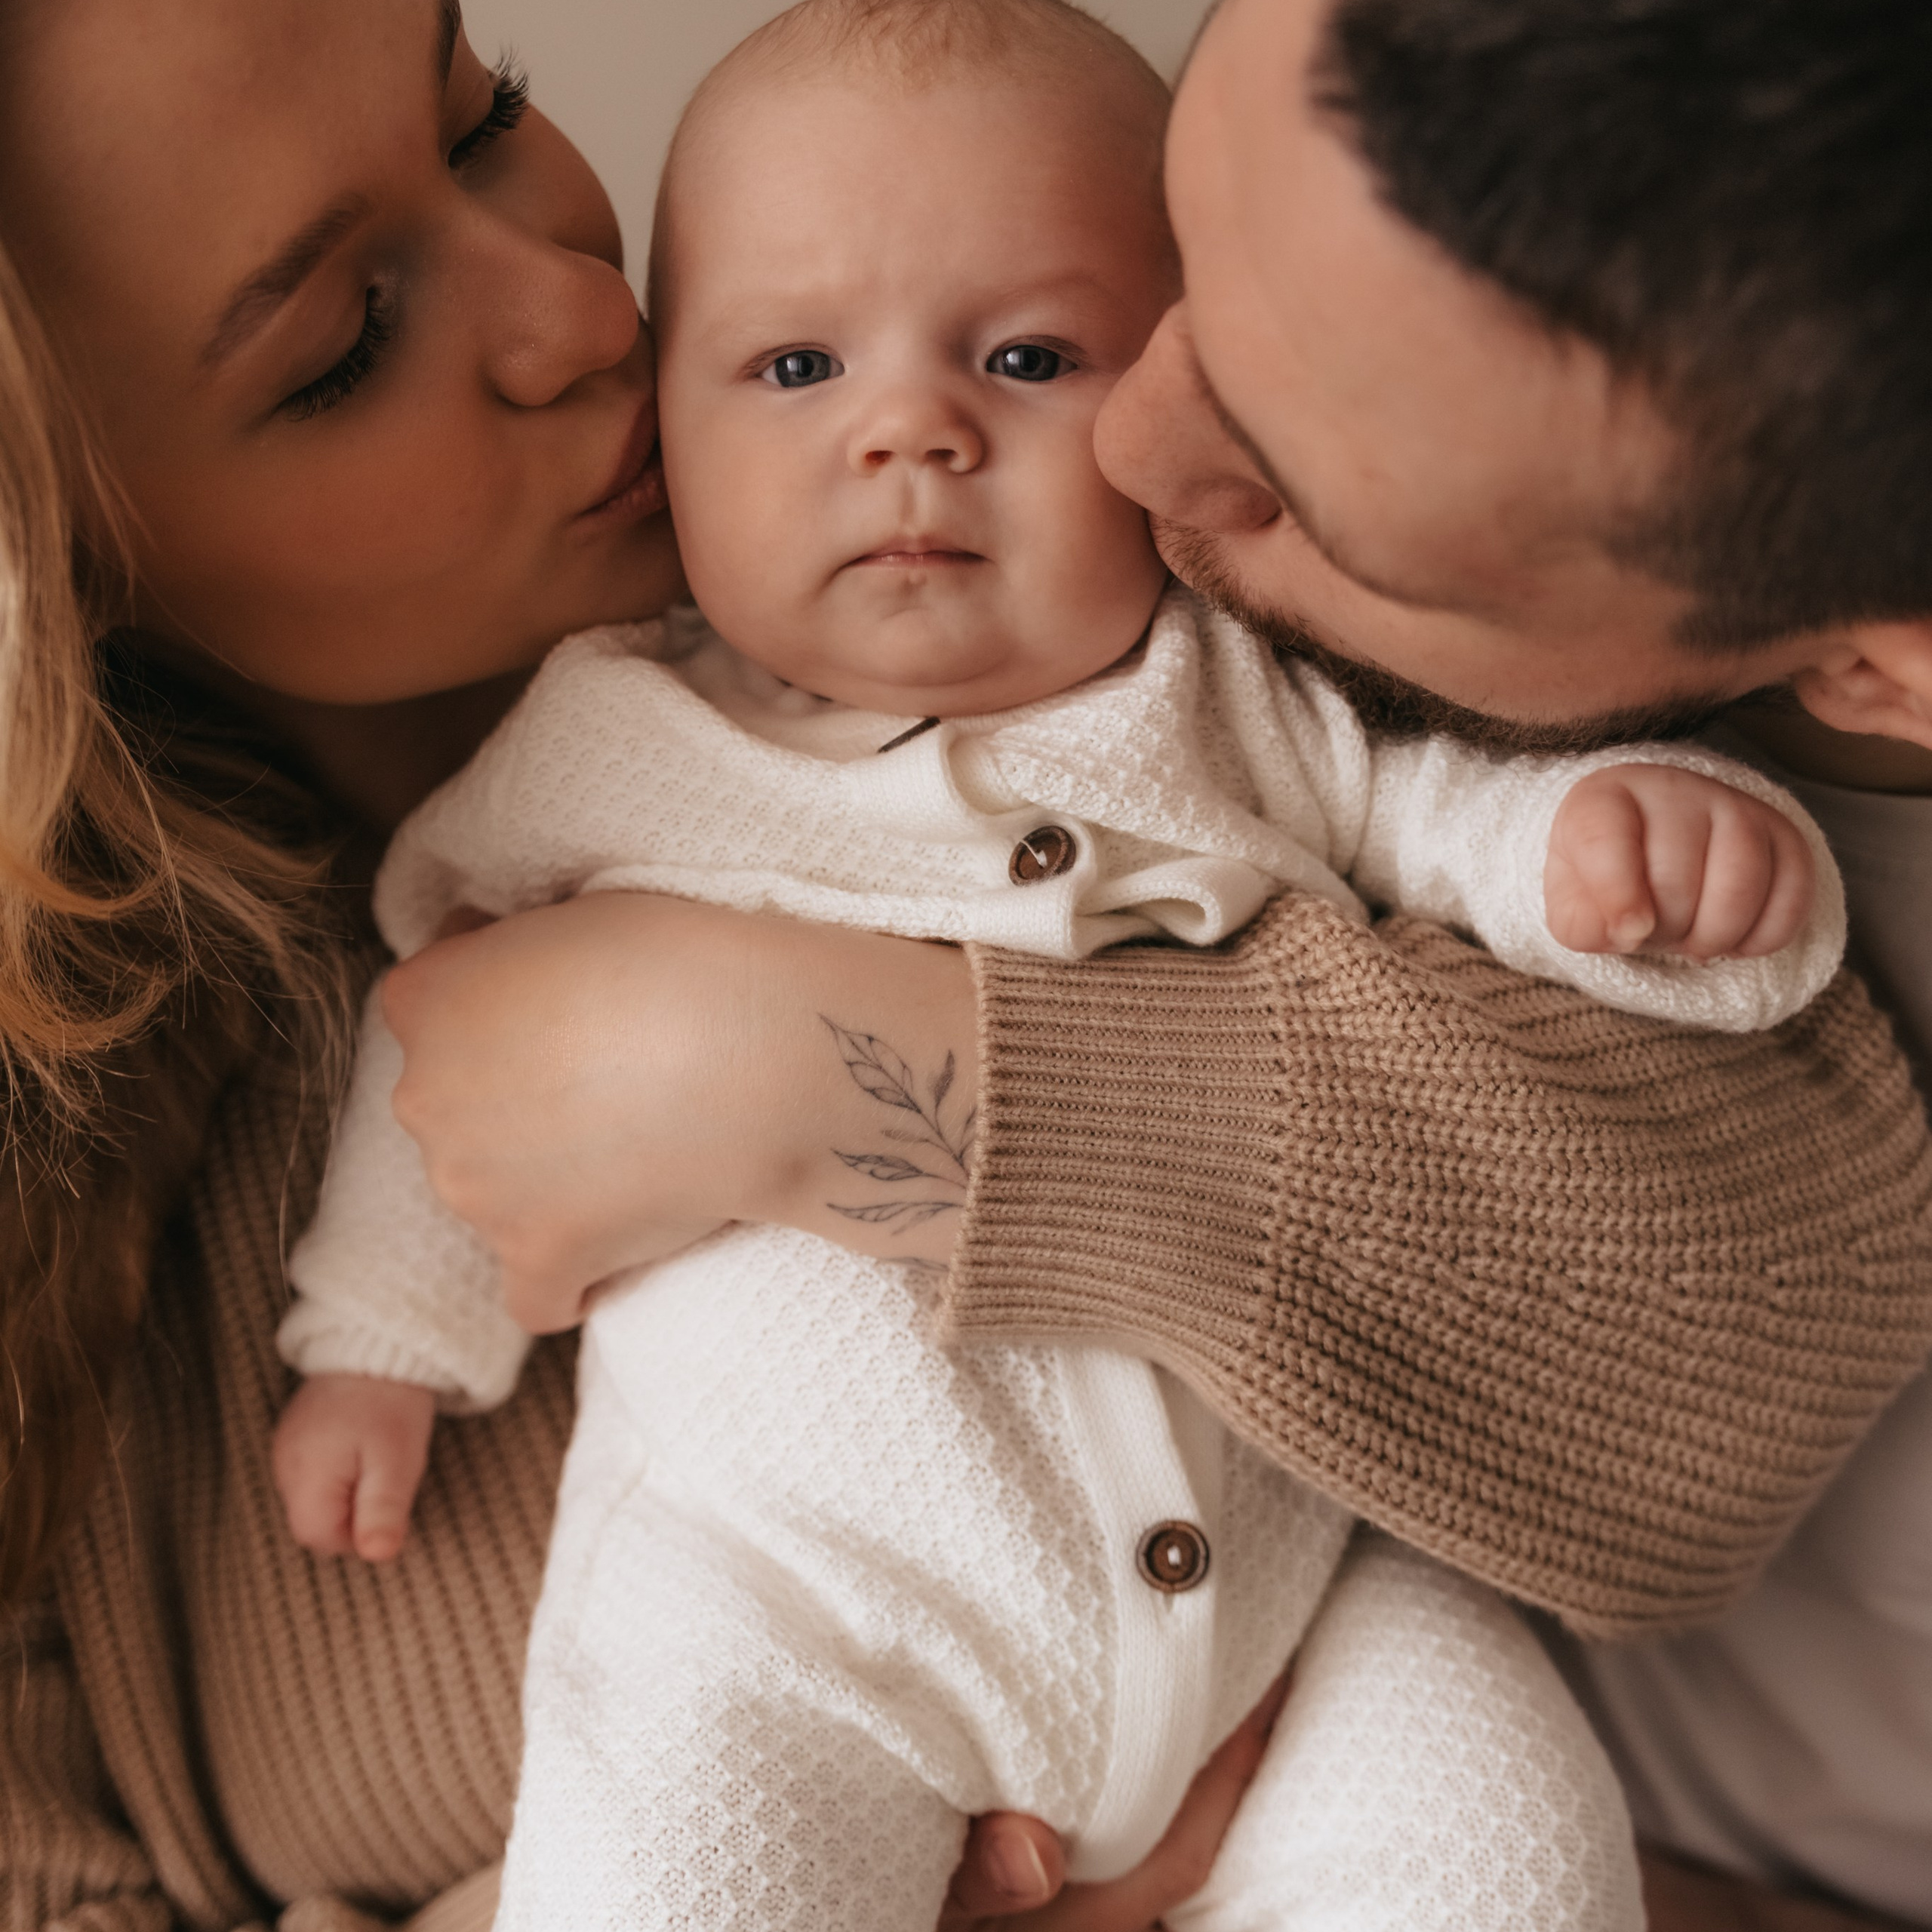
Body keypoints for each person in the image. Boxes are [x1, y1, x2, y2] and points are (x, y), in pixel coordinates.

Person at [0, 0, 1923, 1929]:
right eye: (342, 347)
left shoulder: (1217, 583)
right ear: (60, 538)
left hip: (1307, 1678)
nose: (584, 313)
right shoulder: (90, 1183)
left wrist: (818, 1076)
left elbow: (1758, 1309)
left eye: (483, 113)